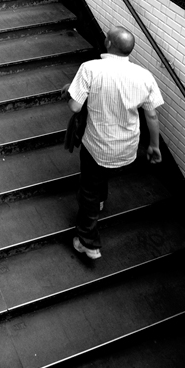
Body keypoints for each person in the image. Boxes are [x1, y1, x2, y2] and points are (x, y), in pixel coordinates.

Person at [67, 26, 163, 260]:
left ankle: (88, 242)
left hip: (97, 144)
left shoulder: (90, 68)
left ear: (108, 44)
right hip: (127, 146)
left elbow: (75, 106)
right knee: (103, 173)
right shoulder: (145, 75)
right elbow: (151, 115)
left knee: (88, 188)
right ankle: (100, 201)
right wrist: (154, 146)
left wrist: (75, 93)